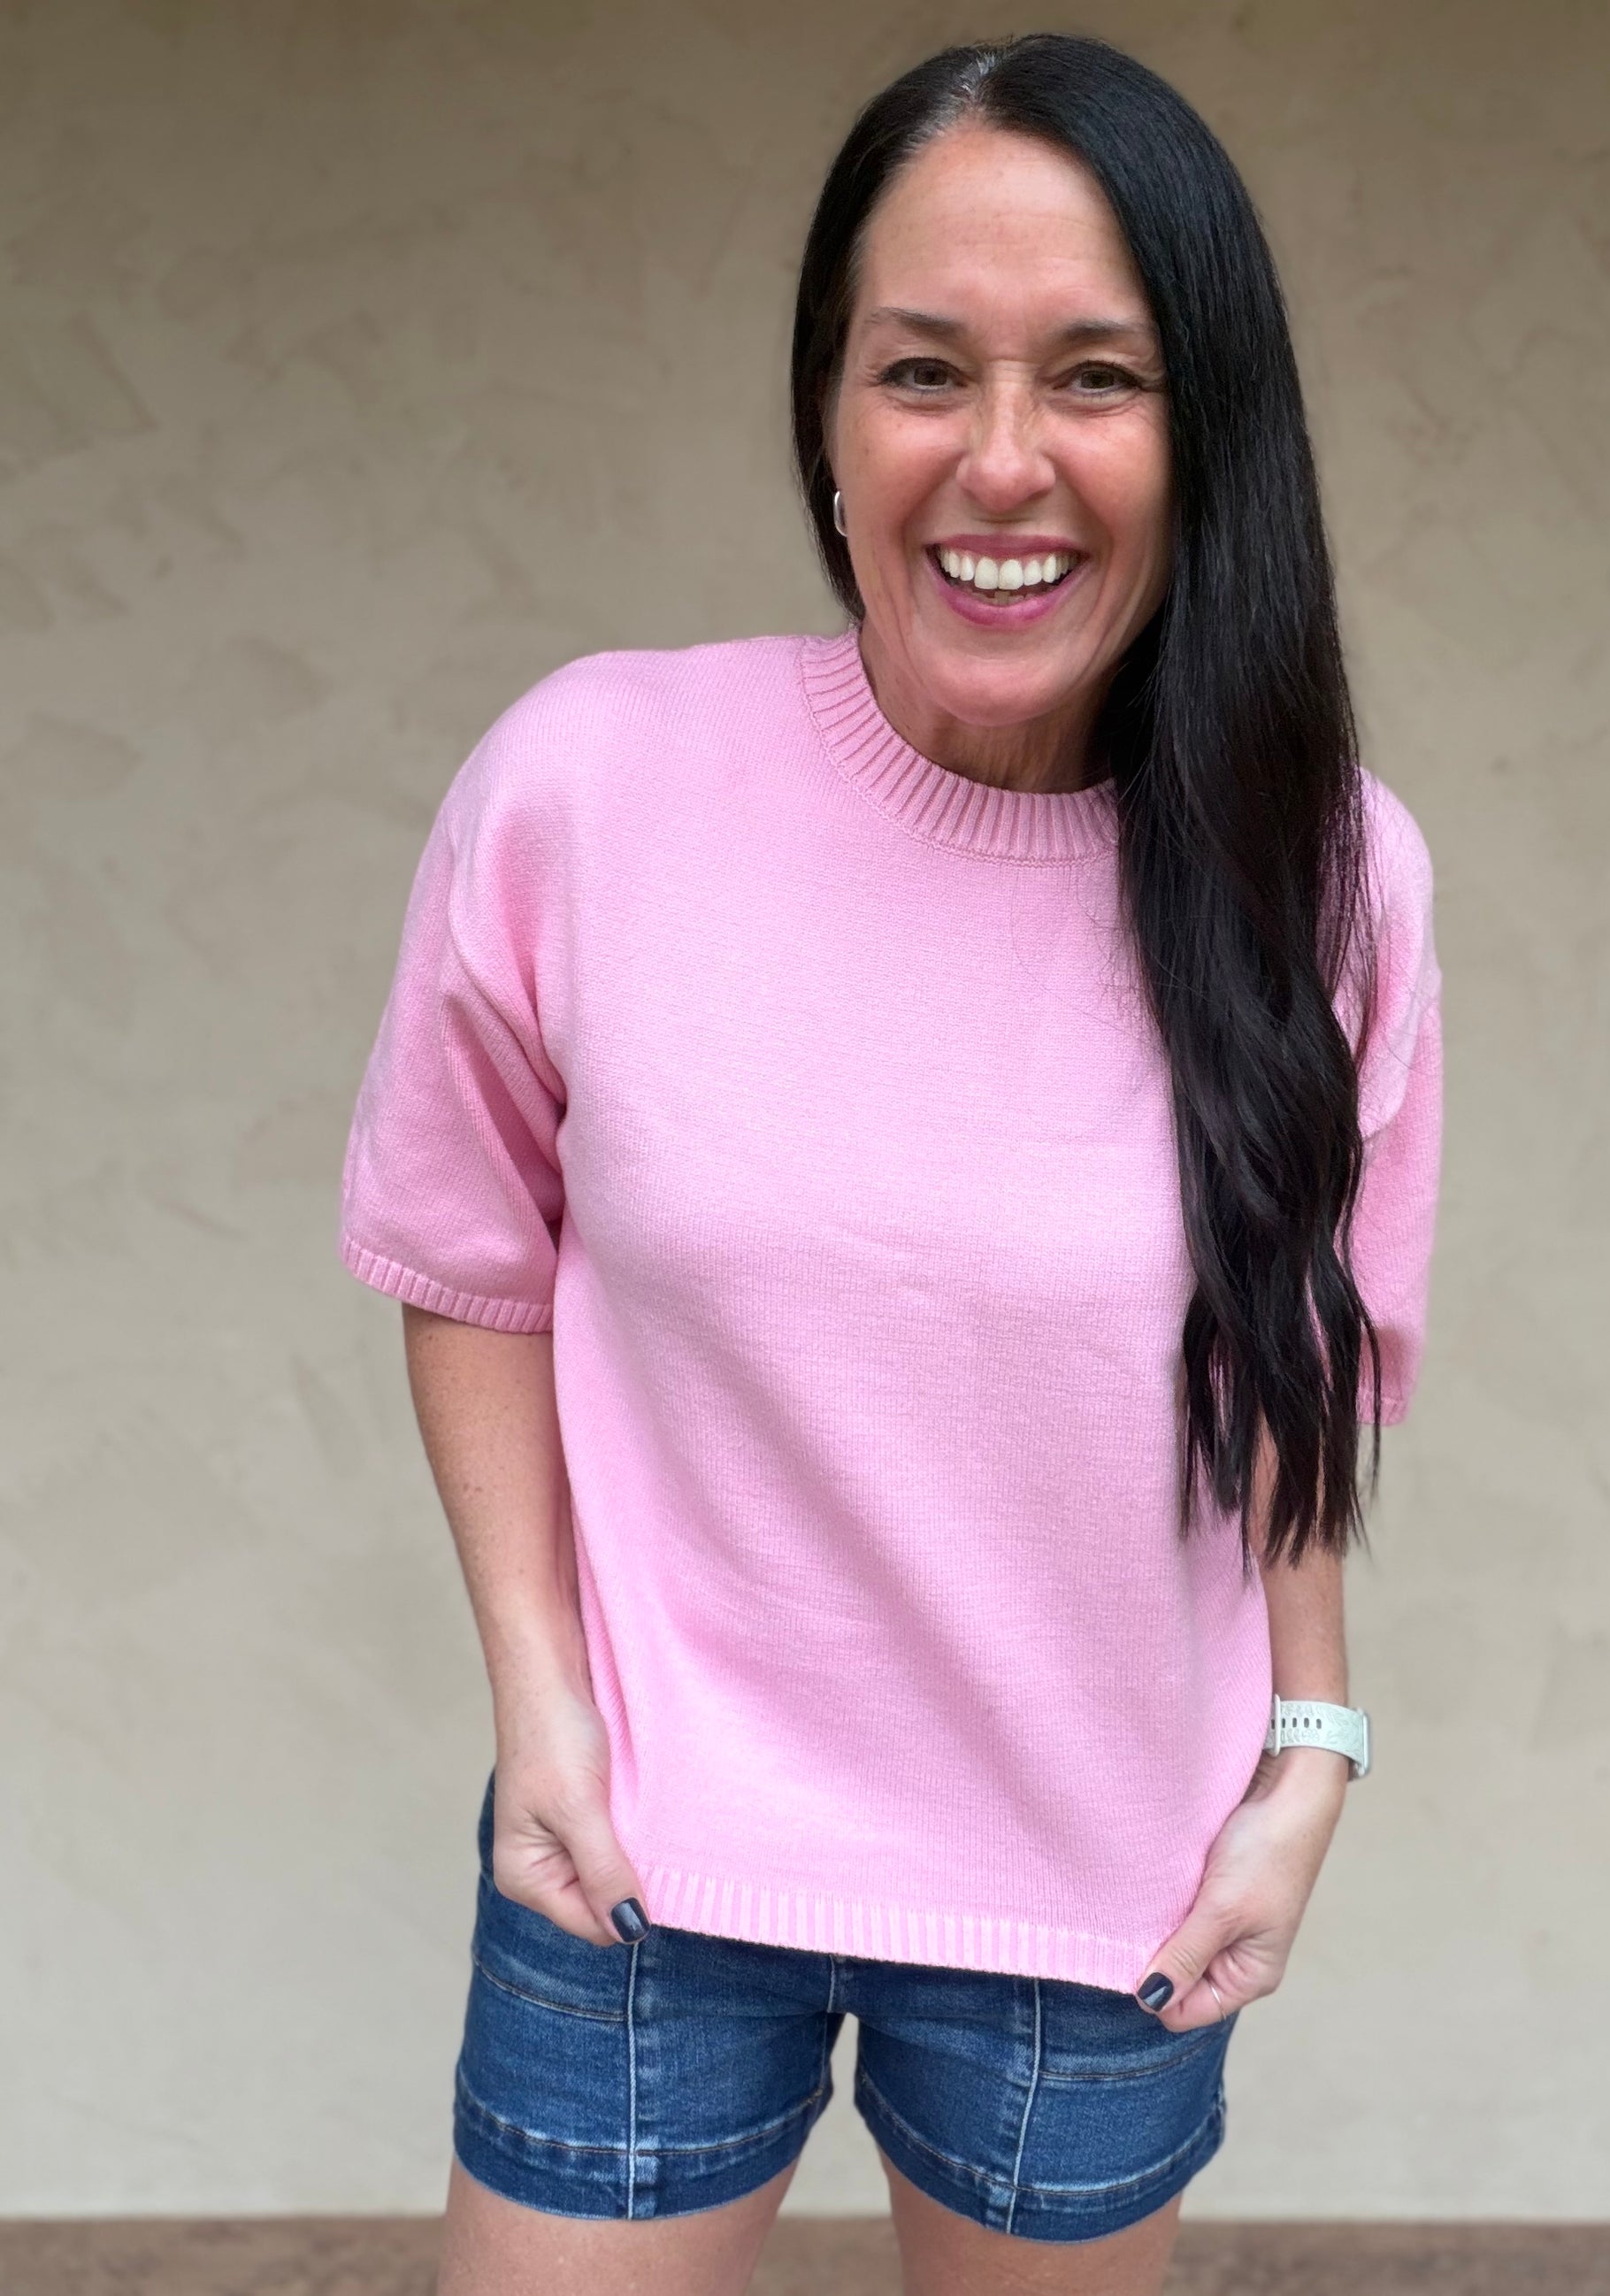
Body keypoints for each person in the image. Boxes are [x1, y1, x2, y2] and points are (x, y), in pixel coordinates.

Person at [339, 32, 1442, 2296]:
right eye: (923, 369)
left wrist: (1310, 1740)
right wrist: (539, 1701)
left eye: (1096, 377)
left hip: (1096, 1888)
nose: (1000, 459)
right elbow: (469, 1255)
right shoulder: (586, 783)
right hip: (639, 1852)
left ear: (1204, 432)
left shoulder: (1325, 873)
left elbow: (1302, 1351)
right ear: (827, 418)